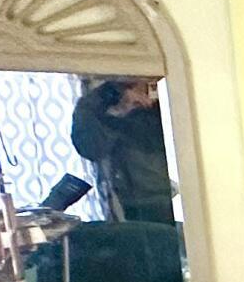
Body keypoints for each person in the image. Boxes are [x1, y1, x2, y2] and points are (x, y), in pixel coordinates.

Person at [71, 75, 177, 223]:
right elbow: (90, 149)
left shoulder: (175, 82)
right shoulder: (96, 103)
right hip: (141, 198)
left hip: (194, 184)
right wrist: (119, 111)